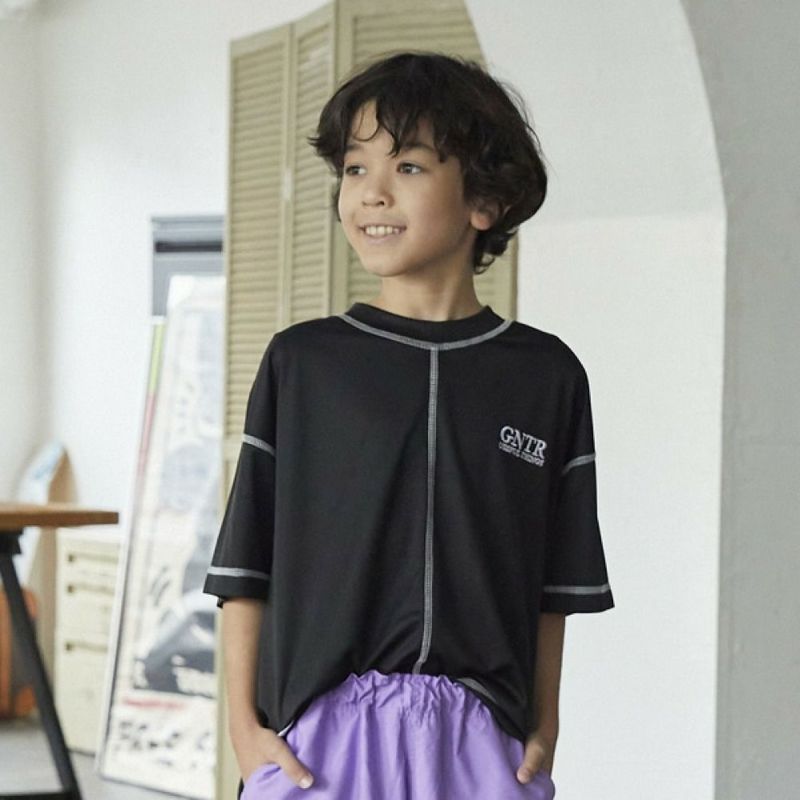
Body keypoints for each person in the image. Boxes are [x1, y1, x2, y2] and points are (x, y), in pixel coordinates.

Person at [203, 51, 614, 799]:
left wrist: (545, 724)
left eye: (409, 167)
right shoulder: (304, 364)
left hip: (481, 742)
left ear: (484, 200)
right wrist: (243, 729)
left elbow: (555, 585)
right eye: (355, 169)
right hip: (316, 742)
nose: (372, 192)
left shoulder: (546, 377)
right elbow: (244, 567)